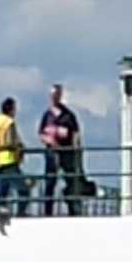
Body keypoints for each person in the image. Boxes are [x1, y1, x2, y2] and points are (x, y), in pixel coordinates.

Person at [38, 84, 83, 217]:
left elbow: (76, 133)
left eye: (56, 95)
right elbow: (41, 133)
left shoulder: (68, 115)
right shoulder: (47, 115)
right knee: (50, 181)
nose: (54, 98)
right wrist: (49, 140)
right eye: (52, 95)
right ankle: (48, 211)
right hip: (52, 153)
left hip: (67, 152)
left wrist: (75, 148)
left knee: (70, 180)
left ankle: (73, 209)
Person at [0, 96, 29, 221]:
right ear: (11, 109)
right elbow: (10, 141)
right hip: (9, 160)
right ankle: (21, 214)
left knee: (2, 192)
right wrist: (20, 147)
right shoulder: (9, 122)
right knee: (24, 190)